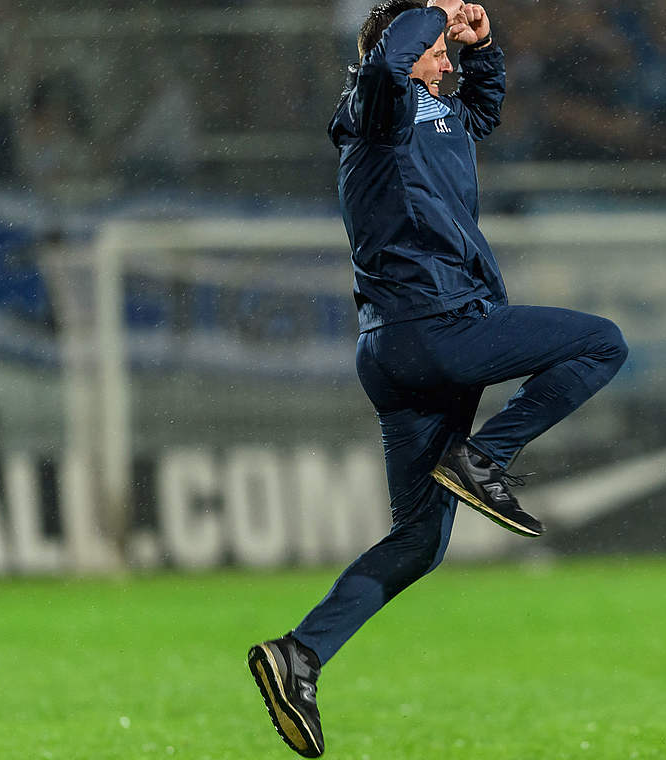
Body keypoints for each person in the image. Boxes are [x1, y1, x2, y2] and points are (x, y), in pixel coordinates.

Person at [246, 2, 628, 756]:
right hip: (436, 327)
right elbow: (391, 62)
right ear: (401, 46)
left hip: (399, 348)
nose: (445, 61)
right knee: (601, 344)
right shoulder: (377, 107)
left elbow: (478, 107)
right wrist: (430, 10)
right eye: (438, 51)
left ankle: (300, 654)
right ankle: (483, 457)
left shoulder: (433, 113)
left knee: (420, 540)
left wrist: (479, 46)